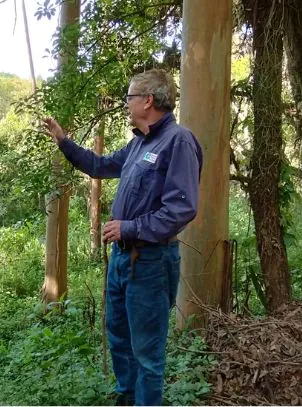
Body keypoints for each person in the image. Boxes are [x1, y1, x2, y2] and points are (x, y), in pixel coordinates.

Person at [43, 69, 203, 406]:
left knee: (147, 352)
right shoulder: (139, 143)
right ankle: (126, 398)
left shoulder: (178, 141)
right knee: (118, 338)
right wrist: (64, 141)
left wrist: (129, 227)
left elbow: (182, 208)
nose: (126, 104)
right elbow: (100, 165)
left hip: (151, 262)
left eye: (130, 97)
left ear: (148, 100)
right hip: (122, 260)